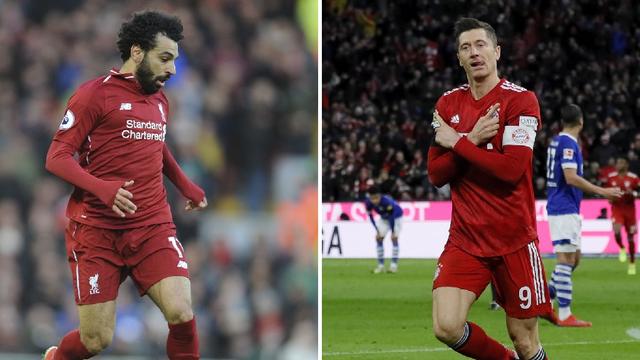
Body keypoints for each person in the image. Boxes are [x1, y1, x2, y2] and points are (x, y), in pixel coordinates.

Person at [43, 11, 206, 360]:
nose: (172, 70)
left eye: (174, 60)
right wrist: (102, 188)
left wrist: (184, 184)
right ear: (136, 52)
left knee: (181, 311)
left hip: (151, 225)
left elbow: (154, 145)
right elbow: (56, 157)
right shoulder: (93, 96)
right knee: (95, 340)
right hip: (97, 231)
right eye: (165, 58)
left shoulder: (160, 100)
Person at [428, 17, 550, 360]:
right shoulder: (447, 105)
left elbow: (512, 170)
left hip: (514, 240)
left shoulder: (521, 102)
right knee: (446, 326)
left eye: (481, 45)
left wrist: (461, 144)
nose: (474, 52)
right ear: (459, 59)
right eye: (465, 47)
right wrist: (472, 139)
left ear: (496, 52)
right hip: (466, 239)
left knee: (525, 341)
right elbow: (436, 174)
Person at [545, 104, 622, 327]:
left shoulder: (556, 141)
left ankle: (545, 300)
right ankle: (565, 314)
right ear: (581, 122)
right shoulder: (568, 143)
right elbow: (570, 177)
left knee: (574, 259)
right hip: (563, 207)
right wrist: (603, 191)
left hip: (565, 207)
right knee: (566, 260)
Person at [604, 155, 639, 275]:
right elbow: (607, 192)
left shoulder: (633, 178)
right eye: (618, 163)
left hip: (630, 210)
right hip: (617, 209)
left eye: (621, 163)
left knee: (630, 238)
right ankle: (622, 248)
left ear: (626, 165)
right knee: (617, 231)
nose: (619, 165)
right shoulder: (611, 178)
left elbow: (638, 193)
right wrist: (609, 198)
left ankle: (632, 263)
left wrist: (633, 193)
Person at [364, 186, 403, 273]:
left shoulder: (386, 202)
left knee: (394, 238)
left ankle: (393, 266)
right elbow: (371, 217)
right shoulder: (367, 203)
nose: (374, 201)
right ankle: (381, 266)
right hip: (384, 218)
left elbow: (391, 217)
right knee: (378, 238)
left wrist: (393, 232)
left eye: (376, 198)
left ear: (380, 196)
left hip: (396, 217)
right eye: (372, 198)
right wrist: (377, 231)